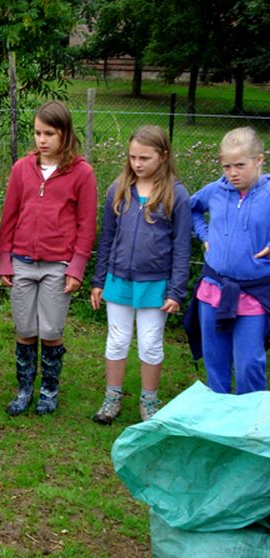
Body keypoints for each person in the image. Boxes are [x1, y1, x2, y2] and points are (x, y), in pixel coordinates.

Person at [0, 100, 98, 416]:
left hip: (58, 264)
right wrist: (4, 259)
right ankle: (25, 389)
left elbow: (86, 224)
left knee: (52, 331)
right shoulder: (21, 169)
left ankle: (49, 390)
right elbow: (9, 215)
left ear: (65, 134)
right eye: (38, 133)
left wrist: (77, 267)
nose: (42, 140)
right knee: (25, 328)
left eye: (49, 134)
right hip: (23, 262)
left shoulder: (82, 173)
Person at [90, 126, 191, 424]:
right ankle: (112, 398)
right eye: (133, 157)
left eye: (145, 157)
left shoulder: (177, 194)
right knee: (117, 340)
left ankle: (150, 401)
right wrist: (98, 281)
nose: (137, 163)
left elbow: (182, 247)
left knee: (150, 343)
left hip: (156, 284)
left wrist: (176, 290)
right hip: (119, 279)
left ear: (163, 156)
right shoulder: (118, 188)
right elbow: (106, 238)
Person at [186, 127, 270, 394]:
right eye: (227, 166)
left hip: (254, 293)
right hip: (213, 289)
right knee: (215, 359)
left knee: (249, 362)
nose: (233, 173)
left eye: (240, 165)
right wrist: (205, 234)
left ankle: (252, 423)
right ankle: (219, 417)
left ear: (260, 159)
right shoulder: (215, 191)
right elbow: (191, 209)